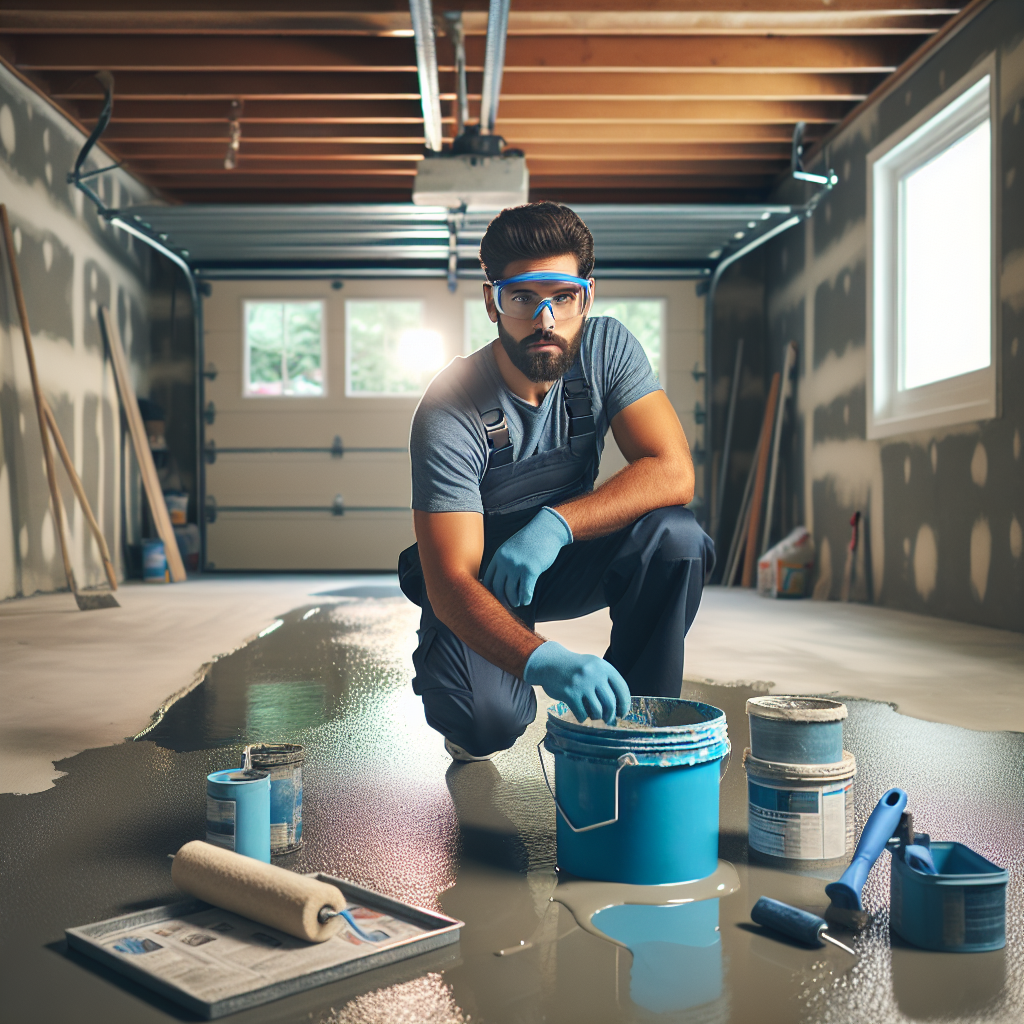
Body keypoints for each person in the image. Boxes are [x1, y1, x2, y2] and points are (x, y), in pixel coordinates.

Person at [399, 202, 714, 762]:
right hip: (479, 578)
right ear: (493, 302)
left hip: (562, 556)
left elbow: (673, 470)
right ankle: (467, 695)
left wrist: (556, 525)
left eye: (562, 297)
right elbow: (449, 579)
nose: (545, 319)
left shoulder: (605, 348)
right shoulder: (451, 406)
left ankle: (633, 725)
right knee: (484, 722)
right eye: (522, 297)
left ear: (586, 297)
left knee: (677, 537)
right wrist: (545, 660)